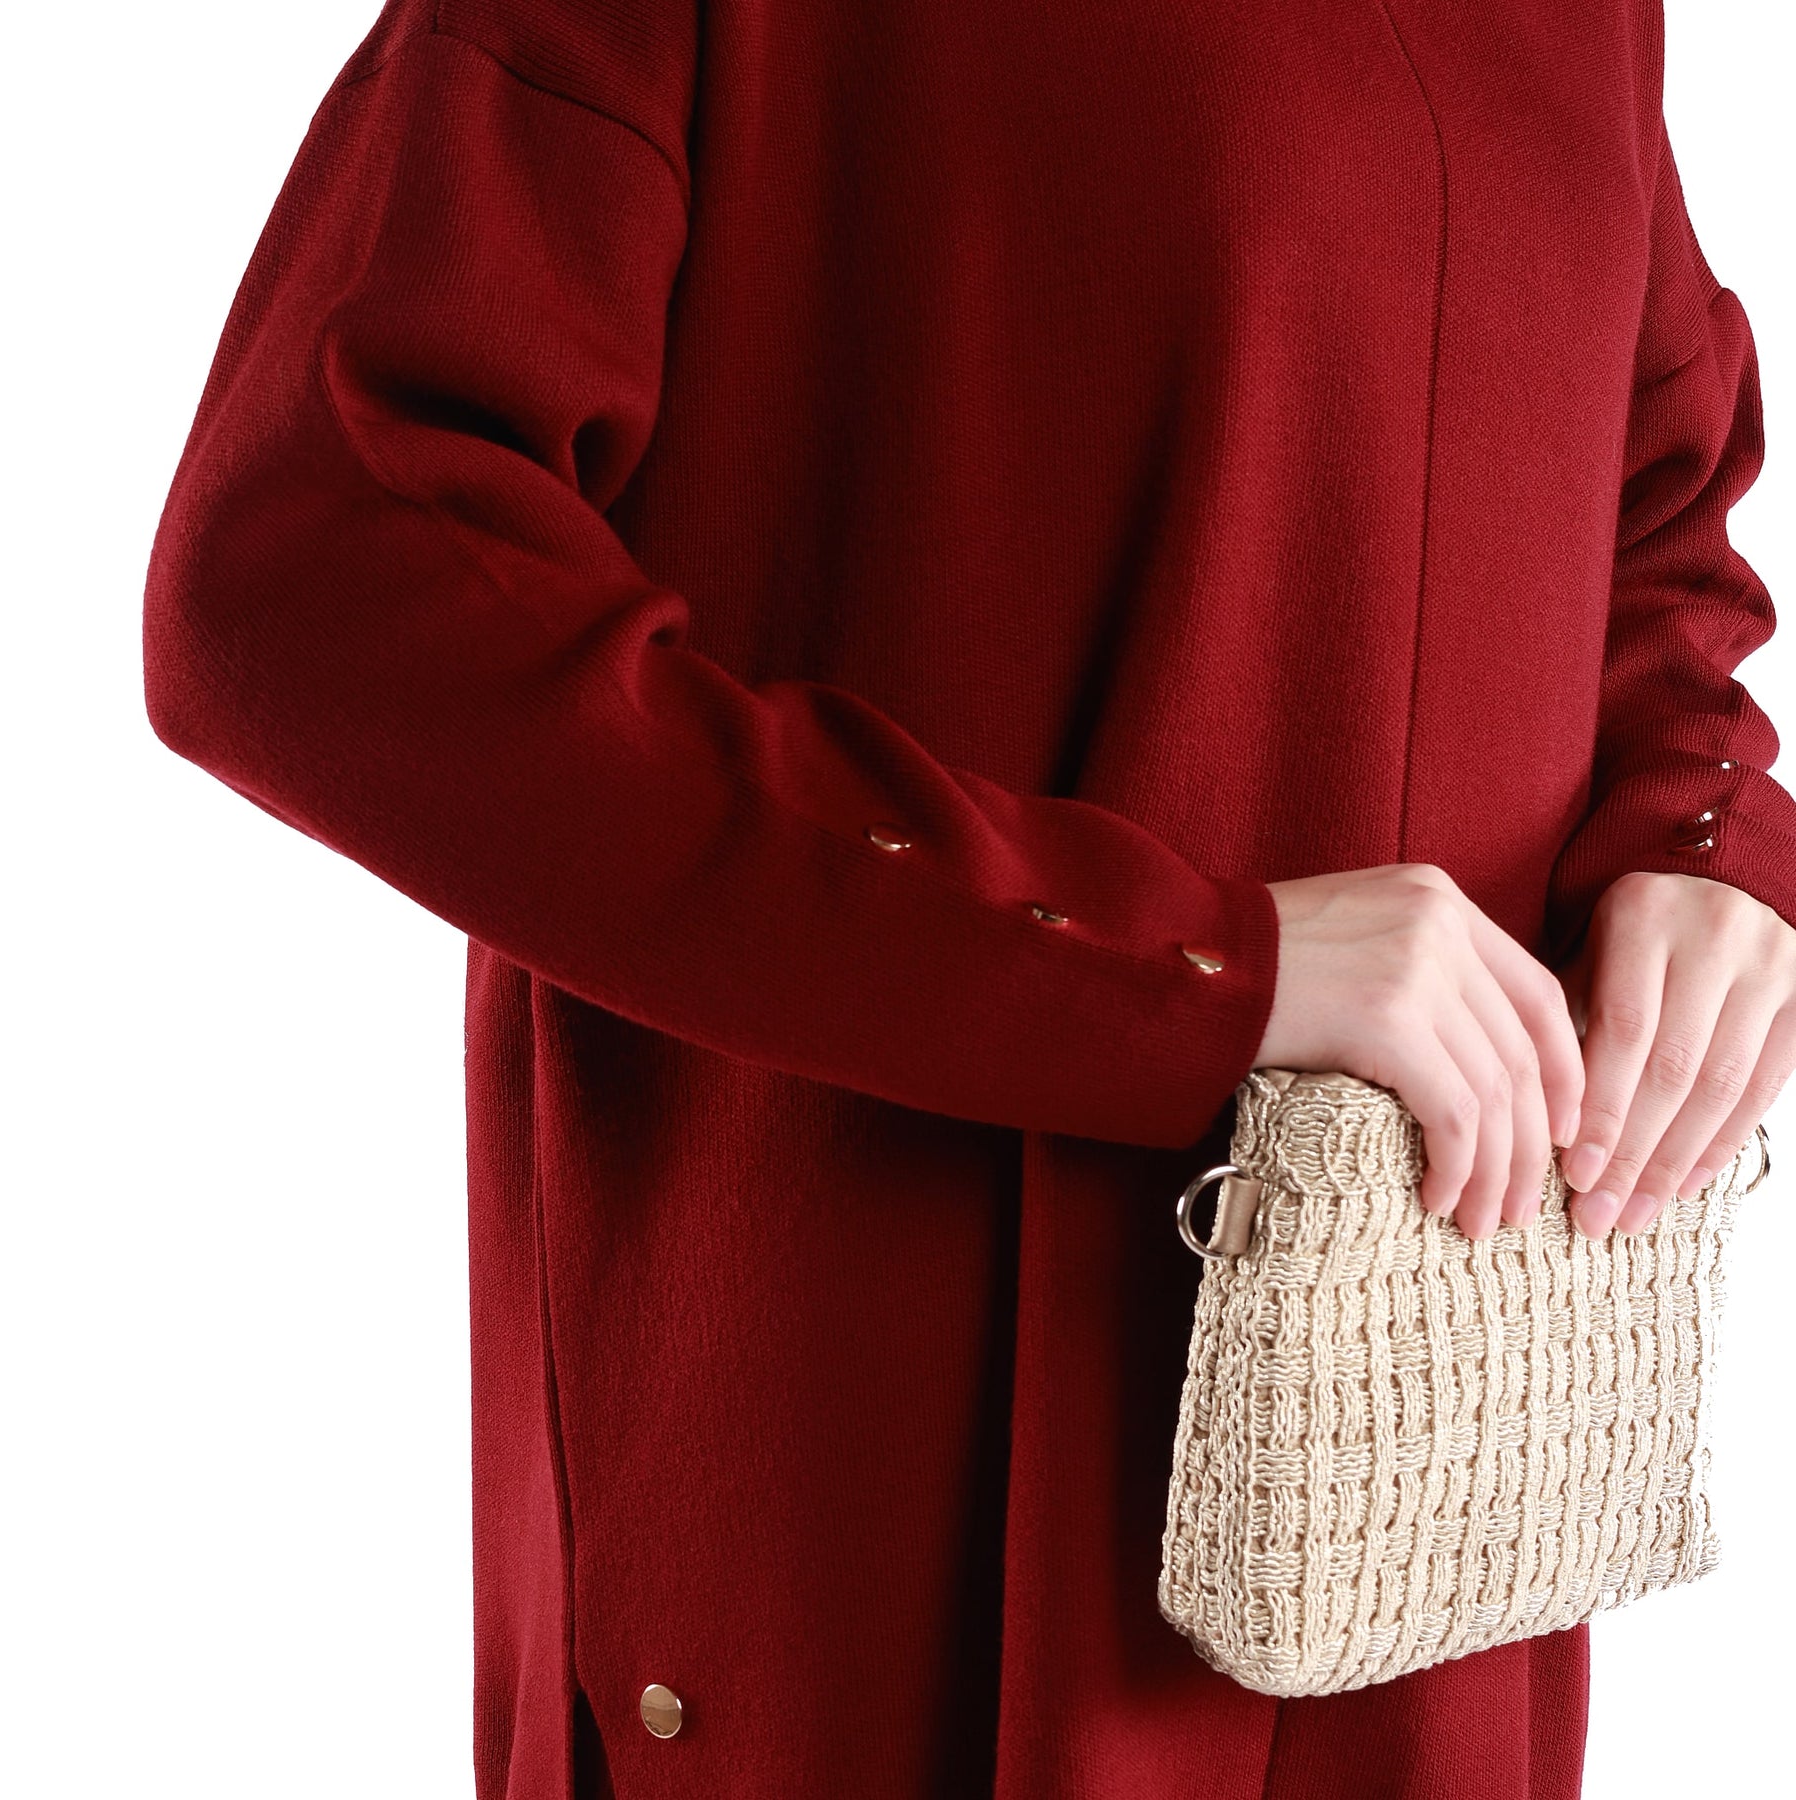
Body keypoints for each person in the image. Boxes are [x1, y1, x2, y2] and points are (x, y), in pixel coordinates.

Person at [141, 1, 1796, 1794]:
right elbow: (309, 578)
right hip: (872, 1482)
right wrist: (1178, 966)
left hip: (1431, 1486)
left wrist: (1699, 843)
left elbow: (1647, 503)